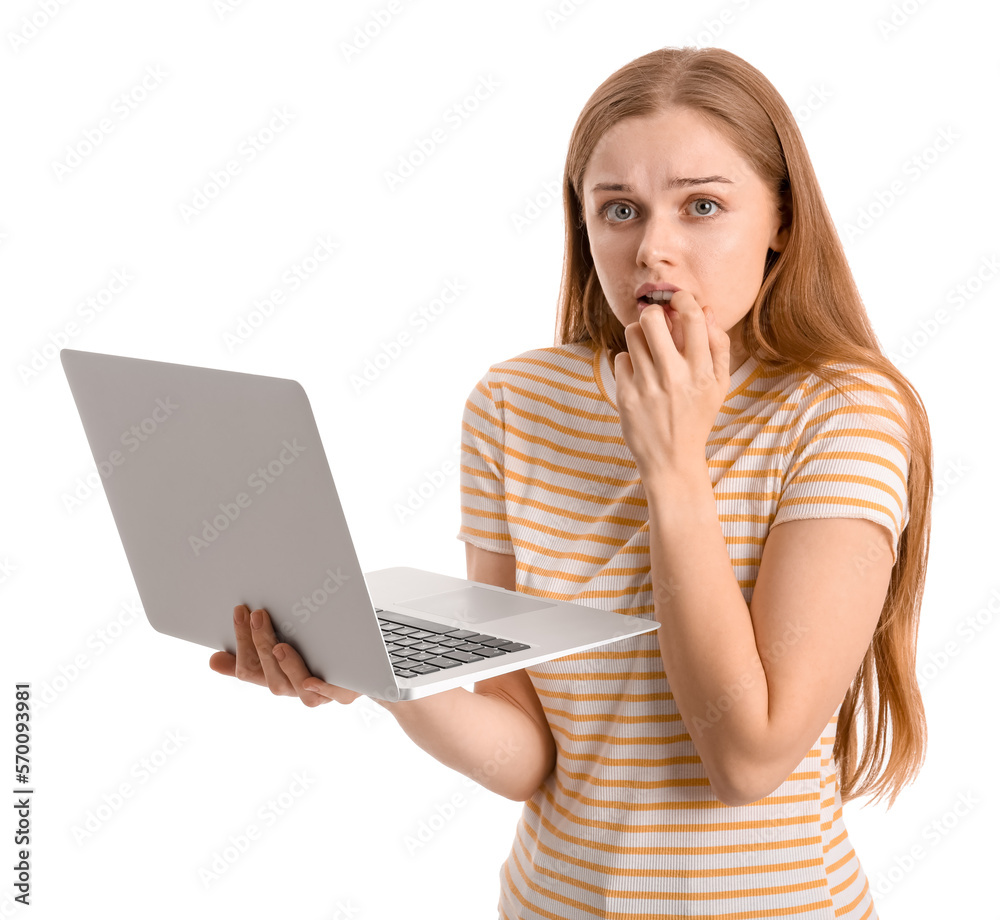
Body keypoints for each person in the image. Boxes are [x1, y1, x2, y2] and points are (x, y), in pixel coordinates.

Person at [209, 46, 932, 920]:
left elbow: (749, 760)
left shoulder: (845, 412)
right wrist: (378, 670)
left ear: (782, 218)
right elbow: (530, 756)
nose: (653, 251)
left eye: (703, 205)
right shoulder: (515, 403)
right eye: (618, 210)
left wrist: (674, 463)